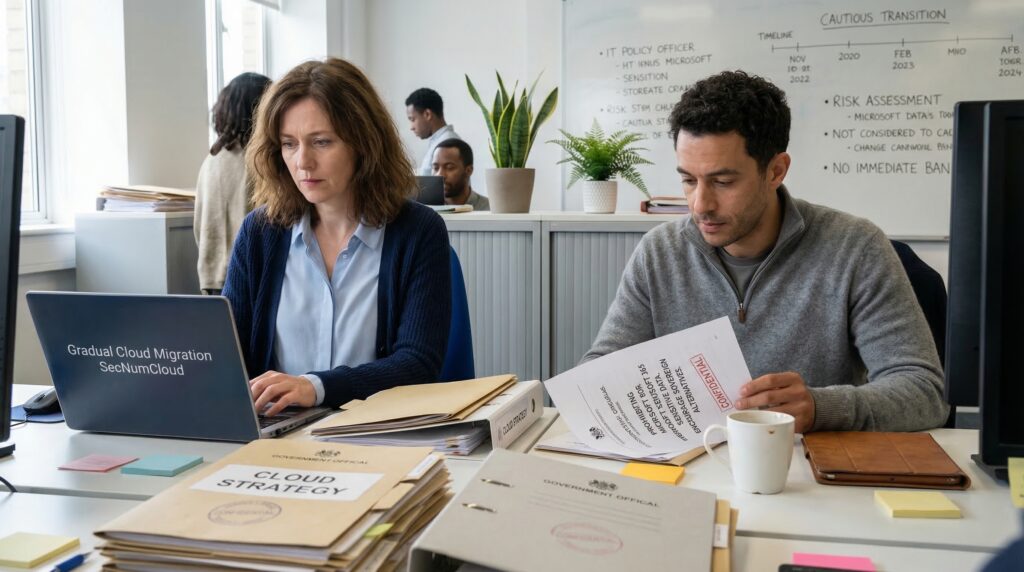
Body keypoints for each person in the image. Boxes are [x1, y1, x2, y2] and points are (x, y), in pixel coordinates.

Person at [582, 70, 948, 433]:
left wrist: (820, 408)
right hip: (691, 459)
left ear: (775, 171)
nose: (700, 204)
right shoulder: (660, 252)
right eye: (689, 180)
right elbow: (598, 374)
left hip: (804, 462)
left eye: (723, 182)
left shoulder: (855, 248)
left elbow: (925, 393)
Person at [224, 58, 452, 417]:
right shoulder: (259, 233)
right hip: (277, 433)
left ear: (364, 143)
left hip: (375, 431)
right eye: (289, 144)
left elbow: (418, 364)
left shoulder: (418, 231)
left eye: (321, 142)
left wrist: (316, 387)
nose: (303, 162)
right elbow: (228, 355)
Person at [194, 72, 271, 295]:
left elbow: (198, 224)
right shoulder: (260, 160)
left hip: (211, 273)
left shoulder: (211, 160)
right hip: (250, 271)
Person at [406, 87, 460, 175]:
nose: (411, 127)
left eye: (412, 119)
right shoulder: (440, 141)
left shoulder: (447, 144)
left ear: (427, 114)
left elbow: (441, 181)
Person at [431, 138, 489, 211]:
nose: (440, 174)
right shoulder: (426, 210)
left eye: (449, 167)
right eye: (435, 168)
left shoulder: (489, 209)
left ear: (469, 170)